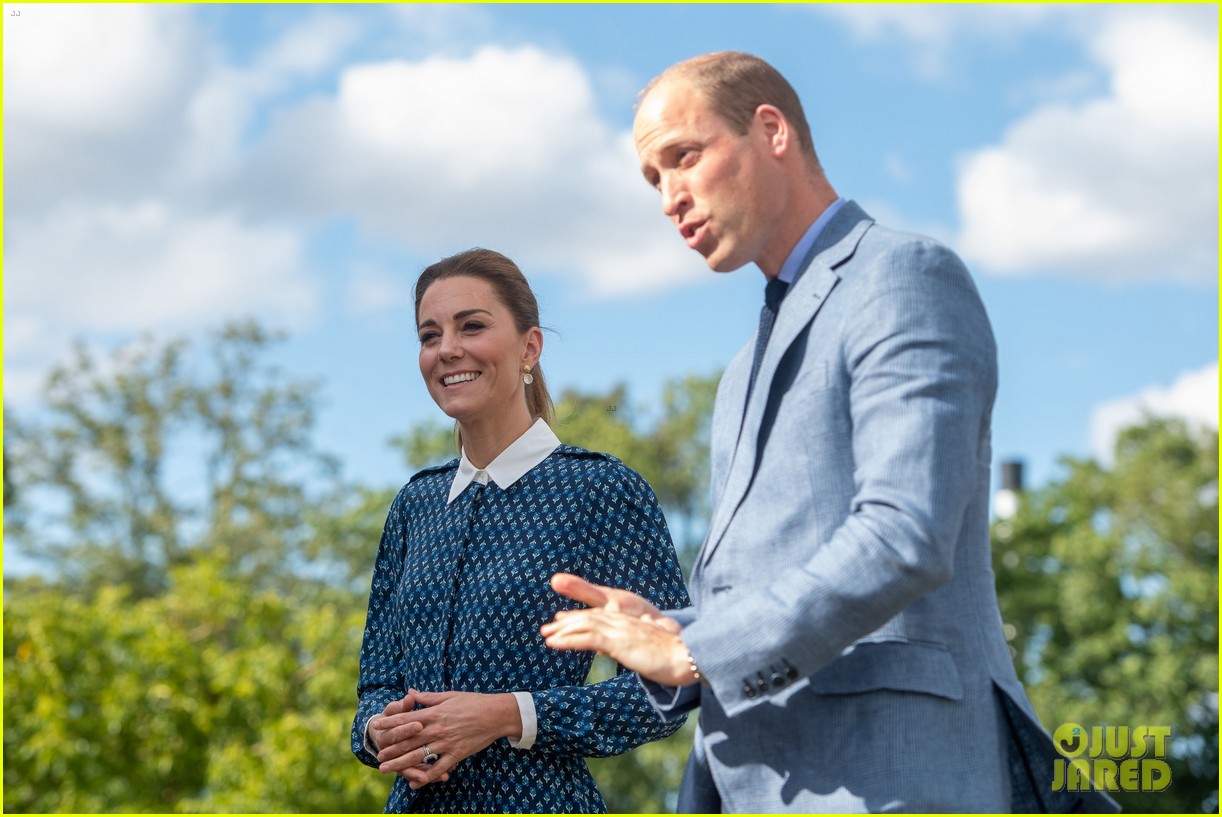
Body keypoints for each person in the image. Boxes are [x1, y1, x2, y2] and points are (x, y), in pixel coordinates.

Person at [542, 52, 1119, 813]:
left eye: (684, 156)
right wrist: (670, 627)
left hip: (892, 778)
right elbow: (762, 586)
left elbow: (904, 531)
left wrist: (694, 648)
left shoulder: (902, 275)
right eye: (653, 179)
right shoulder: (740, 372)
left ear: (771, 130)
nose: (670, 197)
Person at [352, 248, 690, 813]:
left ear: (529, 346)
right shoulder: (415, 505)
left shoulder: (601, 492)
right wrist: (378, 733)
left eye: (472, 326)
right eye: (429, 335)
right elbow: (375, 688)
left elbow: (671, 686)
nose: (447, 349)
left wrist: (512, 714)